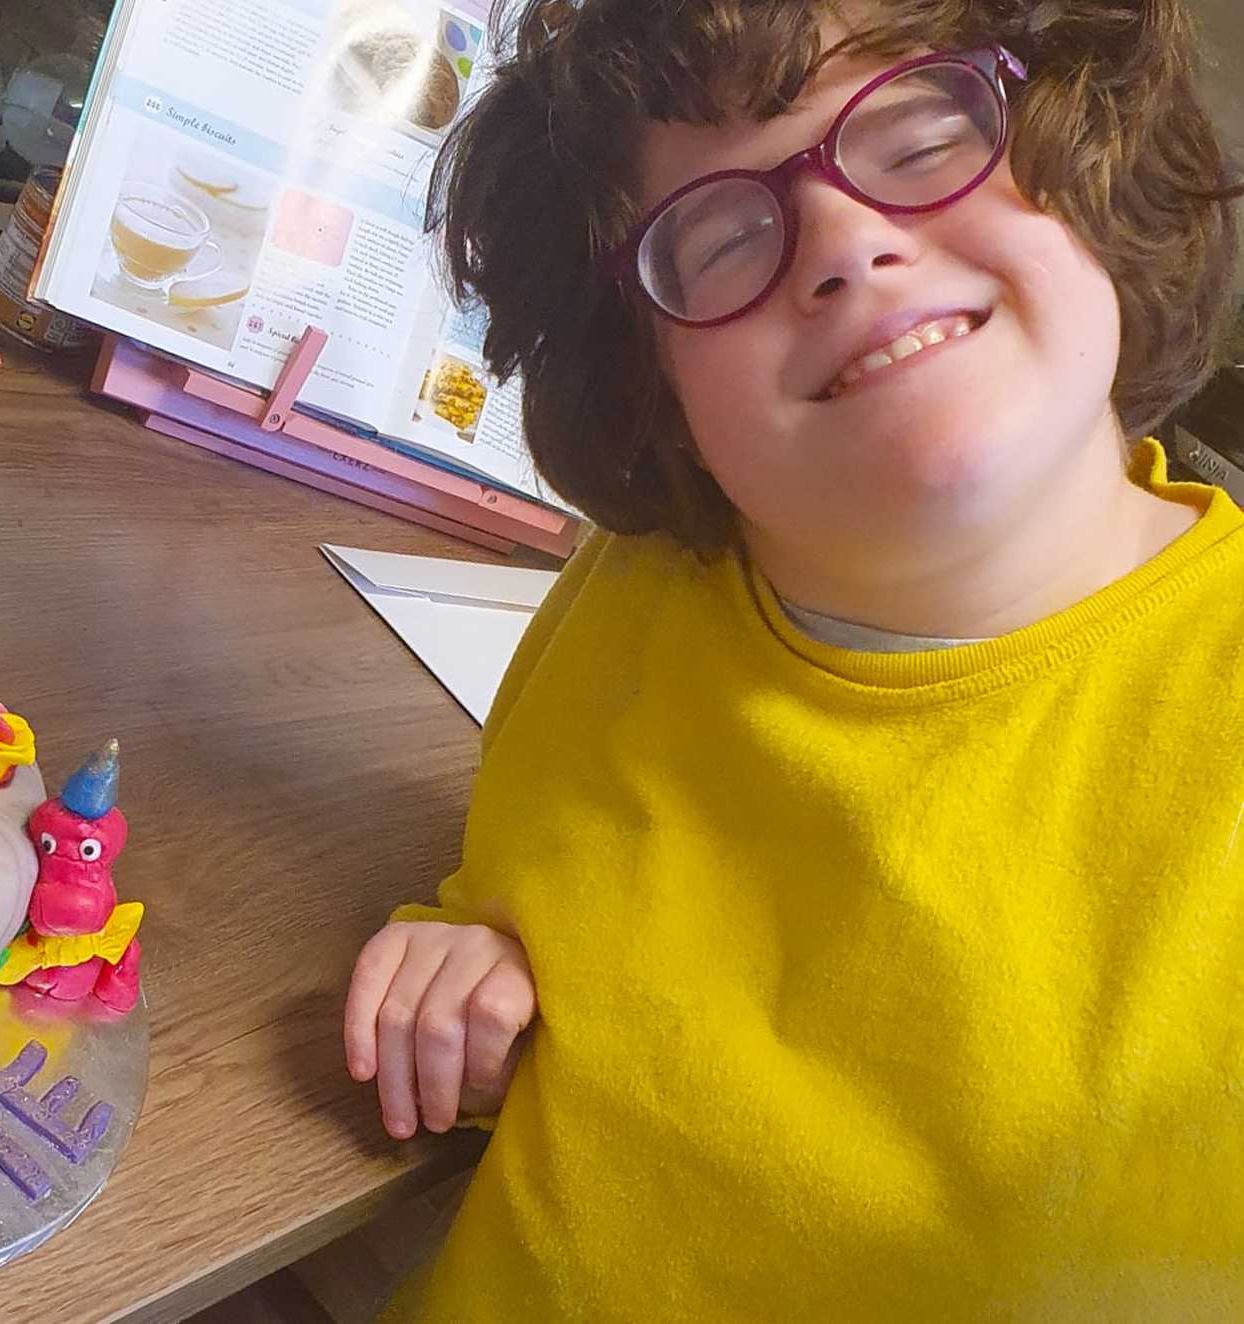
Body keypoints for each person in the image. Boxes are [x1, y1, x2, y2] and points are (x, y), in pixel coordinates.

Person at [342, 0, 1244, 1316]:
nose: (844, 242)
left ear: (1087, 159)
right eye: (714, 237)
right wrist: (469, 984)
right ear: (654, 393)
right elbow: (567, 944)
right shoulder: (633, 599)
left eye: (923, 132)